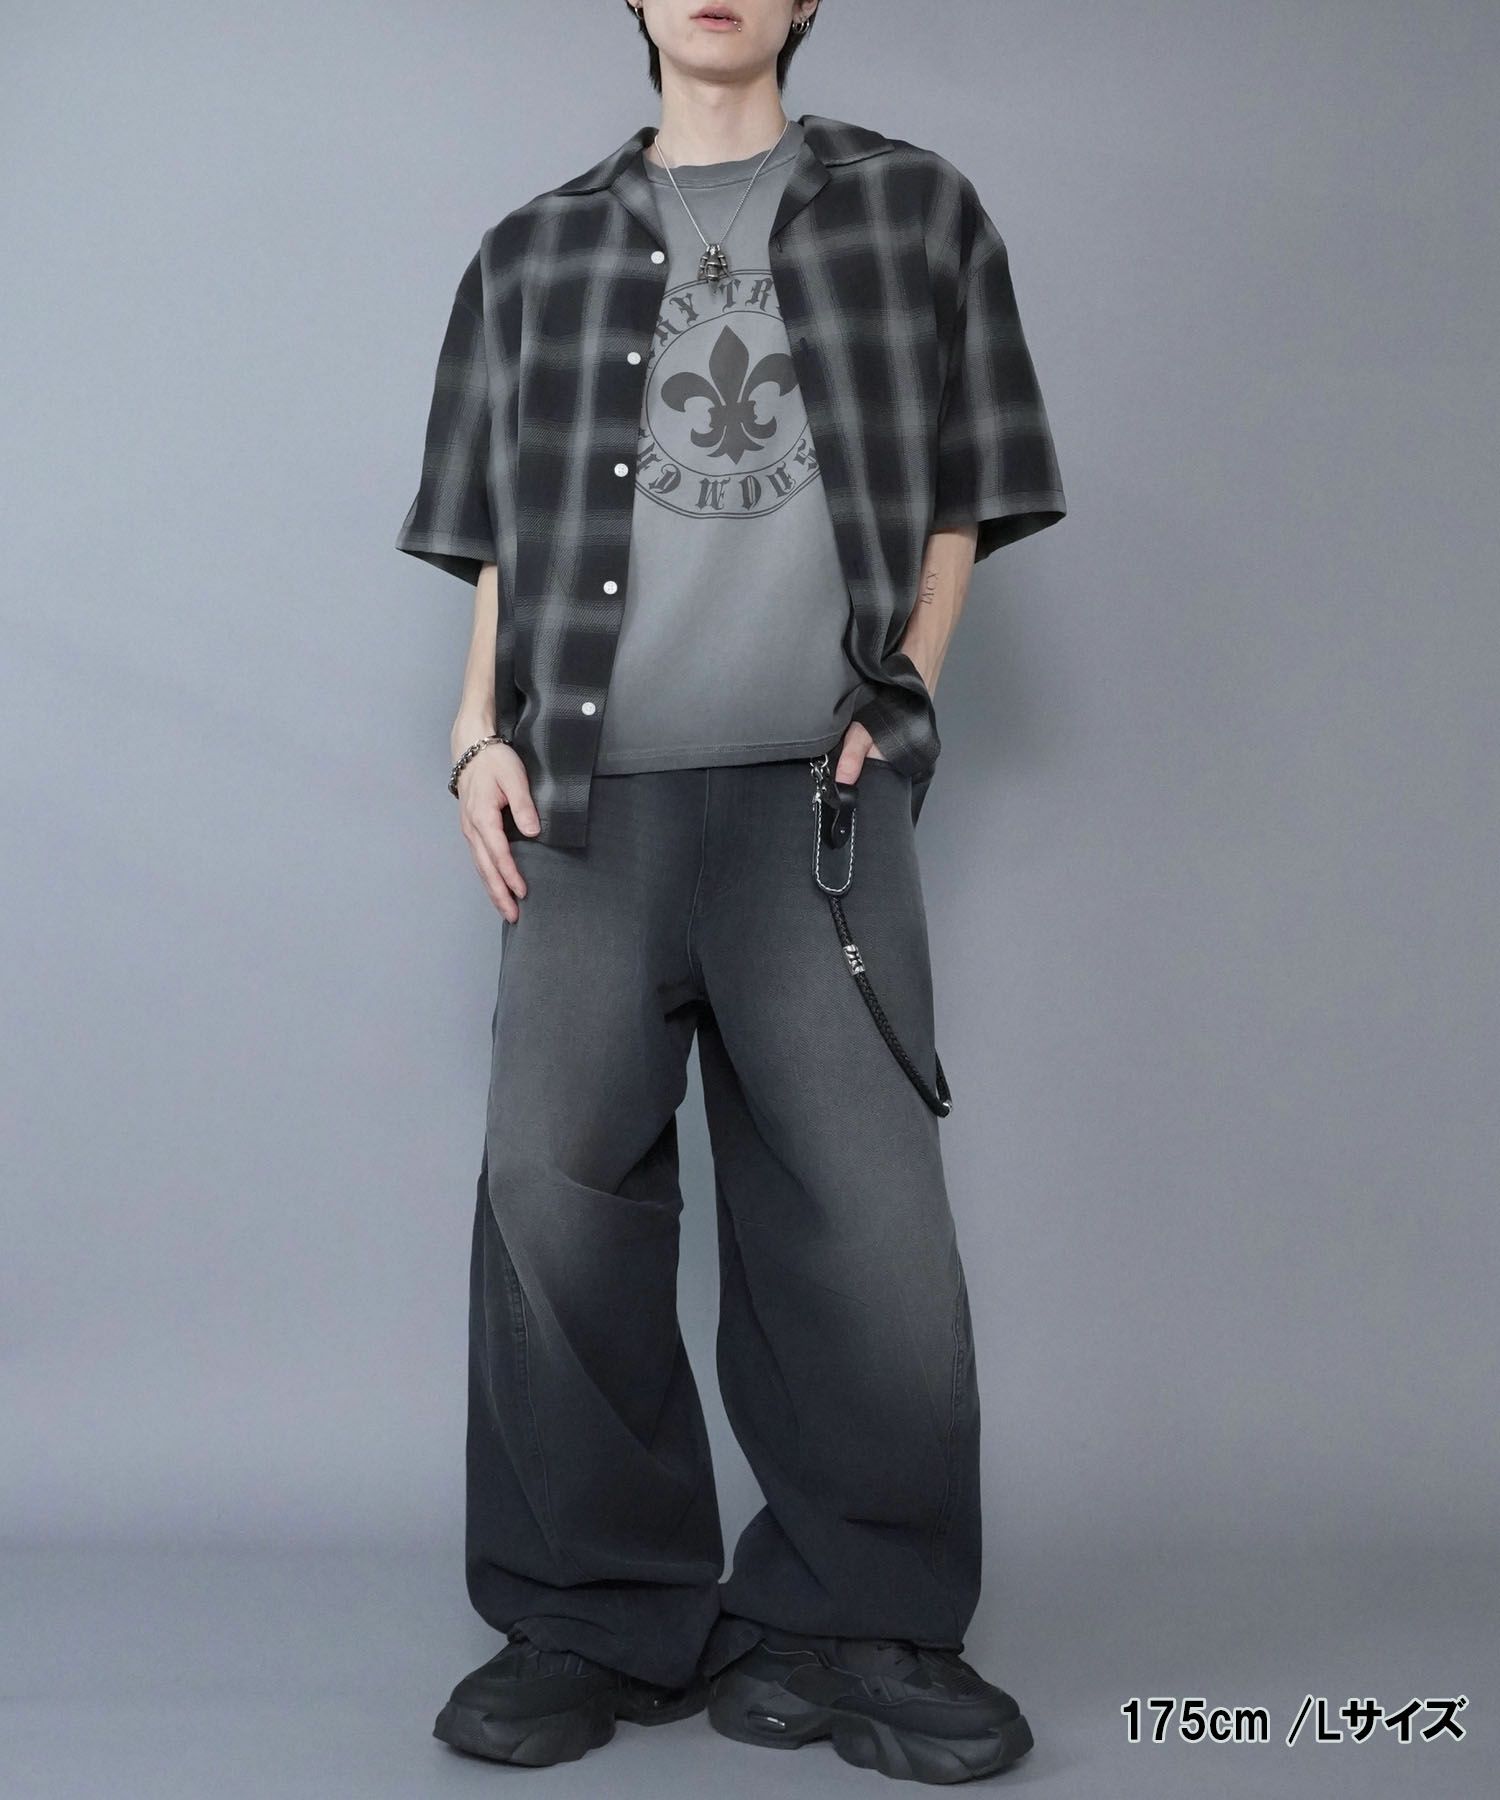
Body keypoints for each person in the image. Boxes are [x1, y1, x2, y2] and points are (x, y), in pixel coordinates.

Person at [394, 0, 1066, 1782]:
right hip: (584, 805)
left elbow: (968, 492)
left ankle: (865, 1622)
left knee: (861, 1226)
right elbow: (495, 526)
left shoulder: (916, 210)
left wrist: (902, 698)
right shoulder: (530, 252)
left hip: (814, 809)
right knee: (557, 1210)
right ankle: (591, 1617)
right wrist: (471, 735)